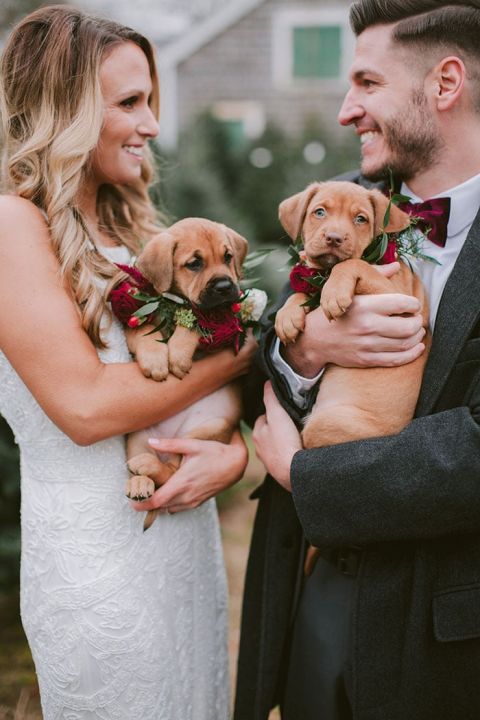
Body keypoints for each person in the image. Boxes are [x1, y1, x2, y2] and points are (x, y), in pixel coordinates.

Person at [0, 6, 256, 719]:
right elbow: (85, 409)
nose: (151, 124)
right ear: (68, 112)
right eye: (130, 103)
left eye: (153, 102)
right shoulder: (11, 225)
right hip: (98, 558)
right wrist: (245, 352)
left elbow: (177, 402)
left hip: (180, 543)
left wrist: (230, 455)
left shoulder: (130, 227)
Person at [234, 1, 480, 719]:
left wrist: (306, 474)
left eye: (366, 83)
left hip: (451, 632)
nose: (346, 110)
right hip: (312, 593)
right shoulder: (341, 213)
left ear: (445, 83)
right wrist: (305, 350)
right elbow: (264, 362)